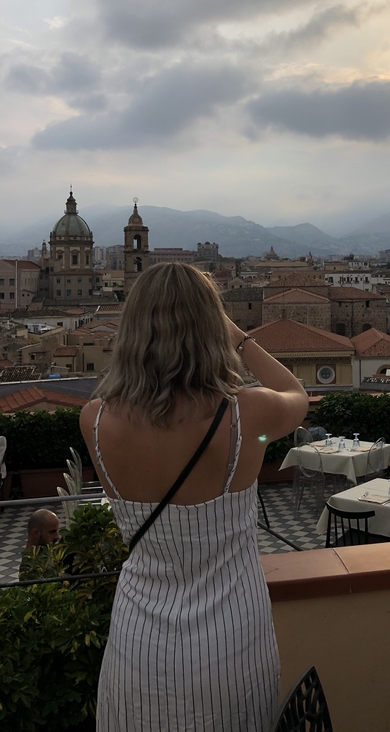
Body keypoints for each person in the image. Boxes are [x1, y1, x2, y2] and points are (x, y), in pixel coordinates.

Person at [79, 262, 308, 732]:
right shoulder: (249, 412)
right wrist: (240, 339)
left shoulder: (96, 422)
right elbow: (297, 393)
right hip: (233, 640)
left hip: (138, 642)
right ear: (210, 329)